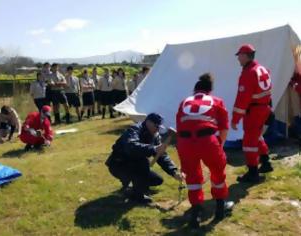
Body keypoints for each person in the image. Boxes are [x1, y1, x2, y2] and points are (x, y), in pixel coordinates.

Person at [176, 74, 234, 228]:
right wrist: (219, 145)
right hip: (207, 140)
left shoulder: (184, 102)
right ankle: (220, 209)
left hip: (185, 142)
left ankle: (196, 214)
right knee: (217, 173)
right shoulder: (217, 101)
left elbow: (179, 127)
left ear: (195, 90)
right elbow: (224, 128)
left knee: (193, 178)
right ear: (210, 90)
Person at [105, 113, 182, 204]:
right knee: (143, 163)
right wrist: (153, 148)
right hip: (119, 164)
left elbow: (162, 156)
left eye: (159, 127)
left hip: (135, 163)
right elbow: (131, 147)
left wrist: (173, 172)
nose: (157, 129)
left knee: (157, 180)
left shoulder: (155, 136)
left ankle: (132, 186)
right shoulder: (134, 130)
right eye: (156, 126)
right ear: (148, 122)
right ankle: (137, 195)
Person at [231, 44, 273, 183]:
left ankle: (253, 172)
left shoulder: (248, 73)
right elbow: (267, 91)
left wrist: (235, 119)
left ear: (245, 56)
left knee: (249, 142)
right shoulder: (263, 69)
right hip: (264, 108)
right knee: (257, 136)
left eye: (239, 56)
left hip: (254, 111)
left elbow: (242, 99)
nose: (238, 59)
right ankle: (266, 163)